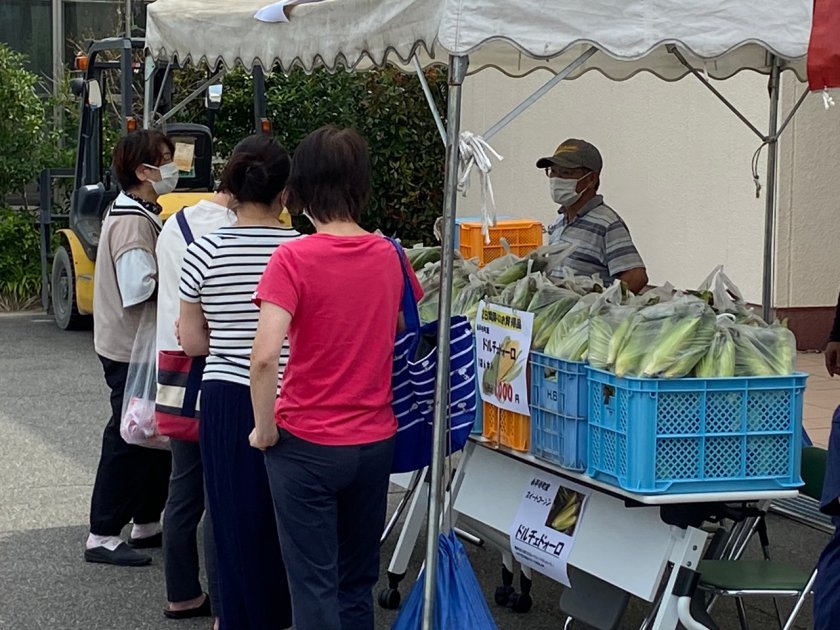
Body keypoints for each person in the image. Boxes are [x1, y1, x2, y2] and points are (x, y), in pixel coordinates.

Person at [249, 125, 423, 630]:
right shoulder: (392, 254)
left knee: (313, 582)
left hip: (305, 441)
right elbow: (402, 325)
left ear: (300, 185)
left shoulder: (292, 257)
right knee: (354, 582)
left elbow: (263, 359)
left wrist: (264, 429)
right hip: (374, 441)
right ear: (359, 183)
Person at [179, 134, 298, 629]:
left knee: (232, 516)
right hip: (295, 393)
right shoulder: (301, 250)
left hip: (227, 393)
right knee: (291, 520)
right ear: (284, 194)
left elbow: (190, 342)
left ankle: (238, 618)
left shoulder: (202, 250)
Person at [85, 130, 177, 566]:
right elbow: (138, 286)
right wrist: (182, 284)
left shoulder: (138, 212)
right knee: (129, 435)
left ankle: (145, 521)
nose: (172, 169)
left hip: (134, 344)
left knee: (153, 433)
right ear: (144, 171)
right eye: (166, 160)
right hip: (129, 346)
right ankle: (102, 532)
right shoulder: (131, 221)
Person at [156, 189, 233, 620]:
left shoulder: (173, 226)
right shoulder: (233, 234)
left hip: (175, 368)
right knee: (220, 491)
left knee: (183, 488)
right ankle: (225, 604)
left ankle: (180, 591)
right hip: (218, 366)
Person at [537, 138, 648, 294]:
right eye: (553, 172)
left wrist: (601, 305)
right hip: (560, 315)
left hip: (583, 316)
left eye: (566, 173)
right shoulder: (559, 223)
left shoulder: (607, 224)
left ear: (591, 178)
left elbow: (636, 276)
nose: (557, 179)